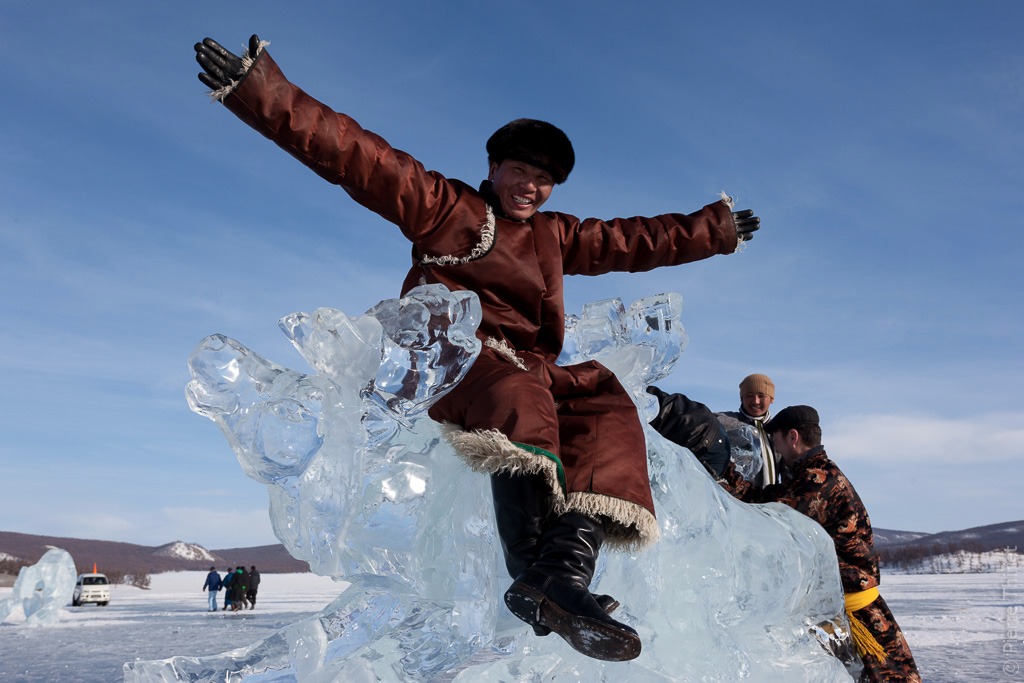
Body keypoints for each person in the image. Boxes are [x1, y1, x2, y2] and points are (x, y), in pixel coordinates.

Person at [194, 34, 760, 662]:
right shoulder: (450, 209)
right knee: (521, 398)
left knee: (606, 404)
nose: (532, 187)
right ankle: (535, 577)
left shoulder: (554, 235)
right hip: (456, 355)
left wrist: (713, 230)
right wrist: (260, 90)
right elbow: (358, 157)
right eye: (521, 172)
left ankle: (562, 576)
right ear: (494, 168)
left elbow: (631, 240)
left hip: (530, 365)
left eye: (544, 180)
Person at [733, 405, 921, 682]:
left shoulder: (818, 480)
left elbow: (767, 516)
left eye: (777, 440)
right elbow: (765, 497)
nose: (775, 448)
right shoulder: (810, 475)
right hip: (842, 608)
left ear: (793, 437)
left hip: (856, 616)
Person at [718, 373, 780, 488]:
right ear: (741, 398)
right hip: (737, 499)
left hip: (772, 502)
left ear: (771, 399)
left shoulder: (779, 431)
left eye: (761, 396)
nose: (755, 401)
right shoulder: (726, 422)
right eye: (749, 395)